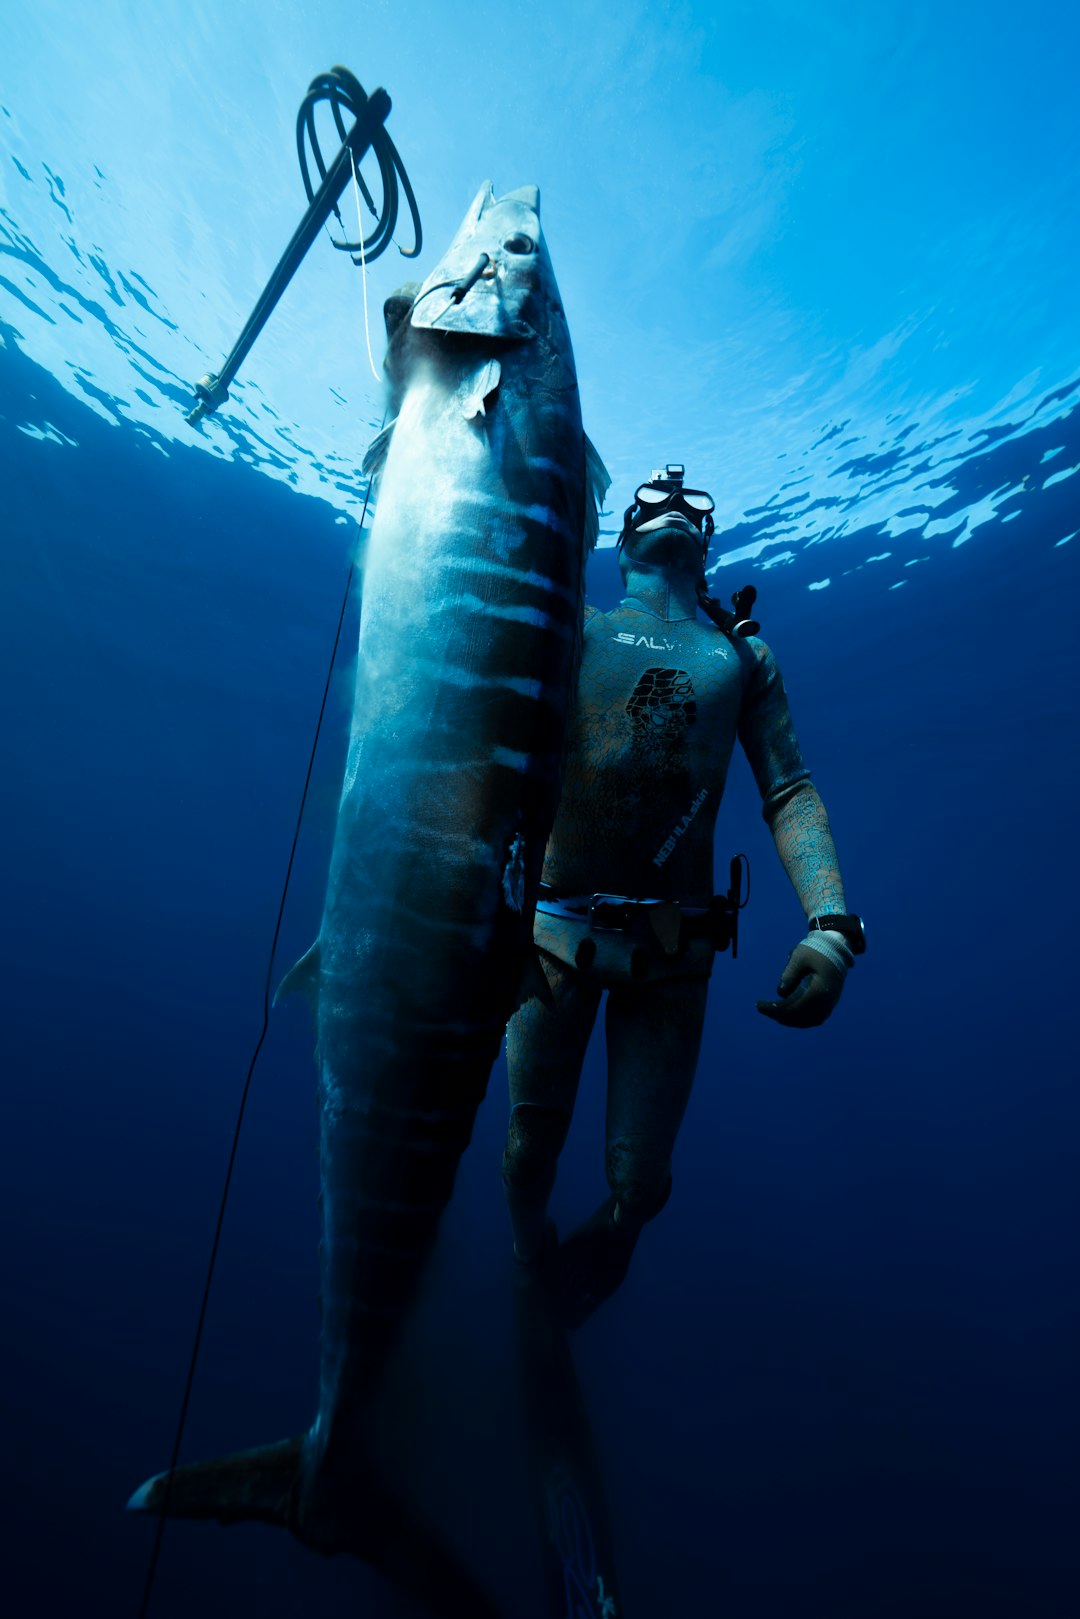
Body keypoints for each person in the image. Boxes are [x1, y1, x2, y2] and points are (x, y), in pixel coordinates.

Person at [502, 465, 865, 1325]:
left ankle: (604, 1242)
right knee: (526, 1149)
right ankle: (528, 1265)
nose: (670, 495)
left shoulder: (743, 656)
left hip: (673, 955)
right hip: (550, 939)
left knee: (640, 1181)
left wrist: (833, 927)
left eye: (690, 499)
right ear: (620, 540)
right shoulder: (568, 629)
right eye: (652, 497)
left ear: (707, 546)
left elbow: (790, 790)